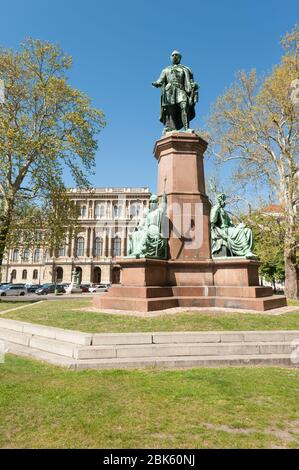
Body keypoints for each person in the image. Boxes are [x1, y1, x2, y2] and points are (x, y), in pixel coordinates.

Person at [152, 50, 198, 133]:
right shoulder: (165, 70)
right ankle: (172, 128)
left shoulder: (185, 69)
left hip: (181, 90)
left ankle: (186, 128)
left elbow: (190, 81)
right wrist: (156, 83)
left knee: (184, 107)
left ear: (180, 58)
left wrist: (194, 86)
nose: (174, 56)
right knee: (171, 111)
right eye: (172, 55)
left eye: (176, 55)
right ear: (170, 58)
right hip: (169, 92)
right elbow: (160, 80)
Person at [210, 194, 256, 258]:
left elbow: (230, 224)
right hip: (223, 230)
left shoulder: (224, 211)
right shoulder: (216, 208)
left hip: (229, 228)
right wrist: (217, 206)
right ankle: (246, 251)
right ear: (219, 200)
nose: (224, 202)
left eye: (224, 200)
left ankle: (248, 252)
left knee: (248, 231)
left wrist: (238, 225)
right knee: (239, 232)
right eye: (223, 199)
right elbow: (212, 220)